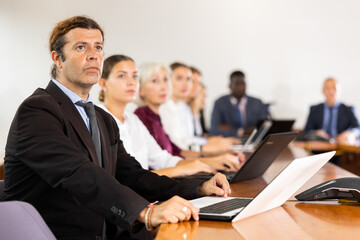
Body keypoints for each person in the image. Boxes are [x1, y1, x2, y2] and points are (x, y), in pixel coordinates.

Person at [3, 16, 230, 239]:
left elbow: (133, 176)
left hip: (106, 230)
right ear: (58, 59)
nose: (93, 55)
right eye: (81, 47)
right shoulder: (37, 110)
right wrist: (145, 211)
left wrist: (198, 189)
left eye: (98, 47)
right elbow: (77, 172)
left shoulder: (102, 118)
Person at [98, 55, 238, 176]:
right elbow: (129, 177)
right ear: (103, 83)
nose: (131, 82)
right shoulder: (102, 121)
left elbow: (163, 158)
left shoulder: (133, 120)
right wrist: (200, 163)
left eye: (135, 76)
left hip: (149, 189)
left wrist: (204, 163)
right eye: (122, 76)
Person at [134, 62, 242, 172]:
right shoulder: (141, 118)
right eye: (155, 81)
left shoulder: (155, 116)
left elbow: (176, 152)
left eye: (166, 80)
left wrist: (214, 159)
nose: (164, 87)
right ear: (140, 89)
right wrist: (210, 157)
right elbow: (164, 160)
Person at [158, 62, 236, 153]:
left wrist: (209, 142)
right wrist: (209, 146)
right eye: (179, 78)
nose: (186, 84)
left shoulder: (183, 107)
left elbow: (187, 139)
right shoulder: (162, 108)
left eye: (188, 79)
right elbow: (176, 147)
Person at [303, 77, 360, 144]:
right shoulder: (314, 110)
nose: (331, 91)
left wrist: (352, 133)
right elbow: (306, 132)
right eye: (327, 88)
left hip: (341, 148)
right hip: (319, 147)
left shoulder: (348, 110)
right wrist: (315, 133)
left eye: (334, 88)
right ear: (323, 91)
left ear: (339, 90)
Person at [210, 70, 269, 137]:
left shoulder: (257, 103)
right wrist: (243, 132)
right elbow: (214, 130)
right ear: (229, 85)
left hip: (253, 141)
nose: (240, 87)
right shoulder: (220, 103)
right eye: (237, 84)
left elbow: (265, 127)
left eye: (243, 83)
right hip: (229, 142)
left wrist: (229, 128)